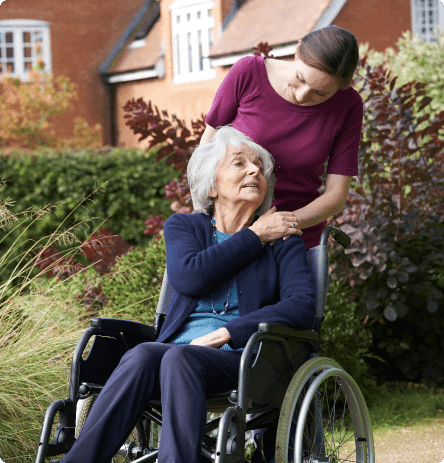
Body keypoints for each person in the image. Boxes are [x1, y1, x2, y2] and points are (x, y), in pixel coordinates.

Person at [60, 126, 316, 463]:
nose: (255, 170)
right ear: (212, 186)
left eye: (259, 167)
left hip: (245, 358)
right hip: (174, 354)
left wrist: (227, 332)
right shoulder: (185, 227)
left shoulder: (284, 240)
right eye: (239, 164)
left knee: (178, 358)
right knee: (142, 355)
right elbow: (190, 276)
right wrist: (254, 235)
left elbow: (301, 307)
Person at [200, 25, 364, 251]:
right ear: (297, 50)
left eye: (320, 93)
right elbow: (204, 157)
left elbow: (336, 195)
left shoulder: (349, 106)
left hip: (293, 239)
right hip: (228, 231)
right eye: (300, 78)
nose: (302, 95)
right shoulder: (248, 72)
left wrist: (281, 225)